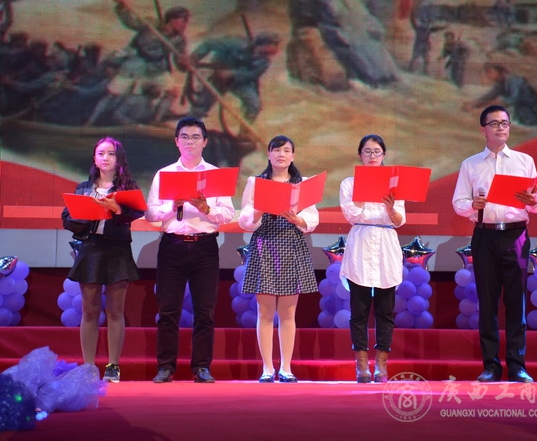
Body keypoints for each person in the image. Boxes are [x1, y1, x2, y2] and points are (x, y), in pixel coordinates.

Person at [452, 105, 537, 383]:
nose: (501, 128)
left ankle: (517, 365)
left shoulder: (524, 161)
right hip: (485, 235)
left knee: (516, 302)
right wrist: (473, 204)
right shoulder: (471, 164)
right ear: (483, 130)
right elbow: (458, 203)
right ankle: (491, 366)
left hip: (516, 235)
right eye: (494, 124)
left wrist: (533, 201)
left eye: (505, 123)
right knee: (488, 301)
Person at [145, 117, 235, 383]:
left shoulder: (215, 175)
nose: (190, 142)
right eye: (184, 137)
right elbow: (151, 213)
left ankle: (202, 367)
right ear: (176, 141)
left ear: (205, 142)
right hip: (172, 246)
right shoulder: (164, 174)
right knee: (168, 310)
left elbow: (227, 213)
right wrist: (171, 207)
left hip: (204, 247)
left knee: (205, 311)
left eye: (196, 137)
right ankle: (165, 367)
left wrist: (206, 208)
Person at [61, 137, 144, 383]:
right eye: (100, 153)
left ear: (119, 159)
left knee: (115, 310)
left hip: (118, 251)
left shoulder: (127, 188)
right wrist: (88, 212)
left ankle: (113, 366)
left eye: (111, 153)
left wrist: (116, 208)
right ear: (94, 158)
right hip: (91, 250)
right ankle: (88, 366)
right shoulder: (84, 188)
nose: (105, 158)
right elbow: (67, 219)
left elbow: (136, 212)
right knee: (89, 310)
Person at [238, 135, 319, 383]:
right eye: (276, 150)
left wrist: (298, 219)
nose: (281, 154)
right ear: (269, 154)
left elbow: (312, 219)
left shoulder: (302, 183)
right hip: (264, 245)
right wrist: (260, 209)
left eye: (286, 150)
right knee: (264, 312)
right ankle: (266, 369)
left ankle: (286, 368)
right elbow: (244, 220)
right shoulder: (256, 182)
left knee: (288, 313)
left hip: (291, 245)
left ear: (293, 156)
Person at [339, 134, 406, 383]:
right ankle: (361, 365)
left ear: (384, 155)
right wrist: (362, 193)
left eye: (377, 152)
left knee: (385, 311)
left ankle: (381, 365)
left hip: (386, 245)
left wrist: (390, 208)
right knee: (359, 311)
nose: (372, 156)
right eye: (367, 151)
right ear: (360, 155)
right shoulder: (349, 183)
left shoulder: (395, 185)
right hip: (361, 243)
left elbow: (399, 220)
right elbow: (351, 214)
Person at [463, 63, 537, 126]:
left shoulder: (514, 80)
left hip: (532, 112)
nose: (488, 75)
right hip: (521, 113)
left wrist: (486, 109)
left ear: (500, 72)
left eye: (490, 72)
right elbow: (490, 95)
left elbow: (512, 99)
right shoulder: (502, 83)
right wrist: (474, 104)